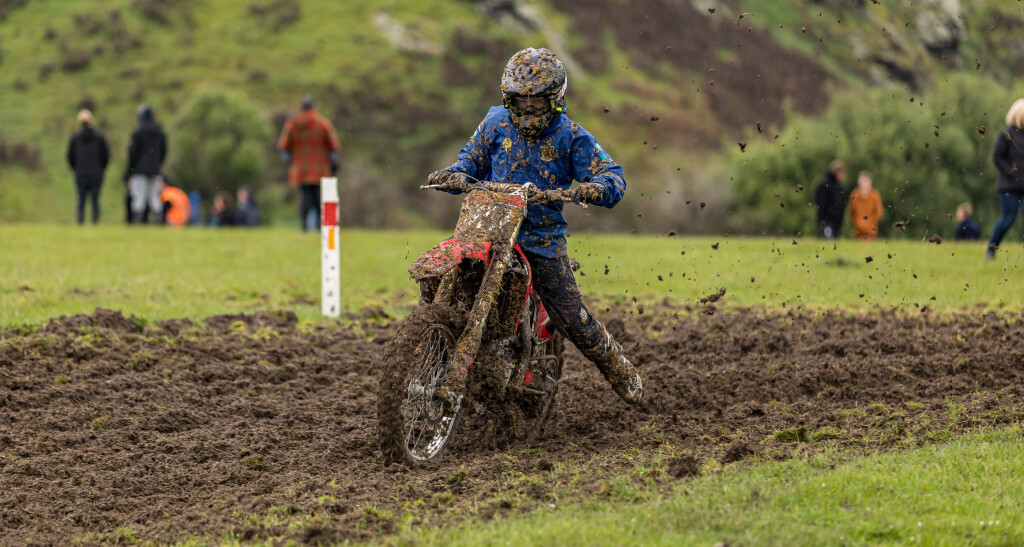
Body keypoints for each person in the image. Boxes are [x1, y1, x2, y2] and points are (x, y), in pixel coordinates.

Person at [424, 47, 642, 405]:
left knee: (571, 317)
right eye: (518, 102)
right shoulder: (495, 122)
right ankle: (426, 344)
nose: (526, 111)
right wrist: (453, 175)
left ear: (555, 100)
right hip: (486, 227)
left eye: (536, 103)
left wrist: (597, 187)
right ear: (507, 99)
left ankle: (617, 365)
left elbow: (613, 175)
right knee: (440, 274)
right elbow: (469, 162)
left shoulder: (572, 137)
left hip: (540, 239)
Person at [277, 95, 340, 231]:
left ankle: (304, 226)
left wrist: (290, 161)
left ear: (302, 107)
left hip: (300, 169)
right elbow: (334, 146)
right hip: (319, 168)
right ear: (314, 106)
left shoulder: (293, 124)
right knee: (318, 197)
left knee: (304, 197)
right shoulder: (323, 123)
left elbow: (283, 146)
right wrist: (333, 163)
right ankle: (321, 227)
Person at [986, 99, 1024, 258]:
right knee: (1007, 219)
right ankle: (991, 249)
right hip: (1009, 186)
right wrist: (1011, 172)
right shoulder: (1006, 134)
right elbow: (997, 157)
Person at [123, 104, 167, 224]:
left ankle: (138, 222)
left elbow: (132, 154)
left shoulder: (138, 132)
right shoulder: (160, 132)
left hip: (139, 171)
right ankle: (157, 223)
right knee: (155, 198)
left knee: (139, 199)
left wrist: (129, 172)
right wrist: (157, 165)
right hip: (155, 171)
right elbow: (163, 151)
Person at [65, 109, 110, 224]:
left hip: (81, 173)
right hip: (96, 174)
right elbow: (106, 156)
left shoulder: (75, 138)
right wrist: (101, 169)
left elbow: (70, 156)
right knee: (95, 199)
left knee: (81, 199)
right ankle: (95, 220)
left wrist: (76, 169)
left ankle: (80, 220)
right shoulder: (99, 137)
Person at [815, 160, 847, 239]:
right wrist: (821, 220)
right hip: (827, 222)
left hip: (836, 223)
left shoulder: (839, 187)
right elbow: (821, 204)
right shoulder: (824, 186)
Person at [848, 171, 883, 240]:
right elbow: (851, 213)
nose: (863, 184)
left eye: (865, 181)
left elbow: (878, 213)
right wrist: (858, 224)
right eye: (861, 181)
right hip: (858, 232)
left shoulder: (875, 196)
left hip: (871, 232)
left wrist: (870, 224)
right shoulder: (855, 195)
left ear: (870, 182)